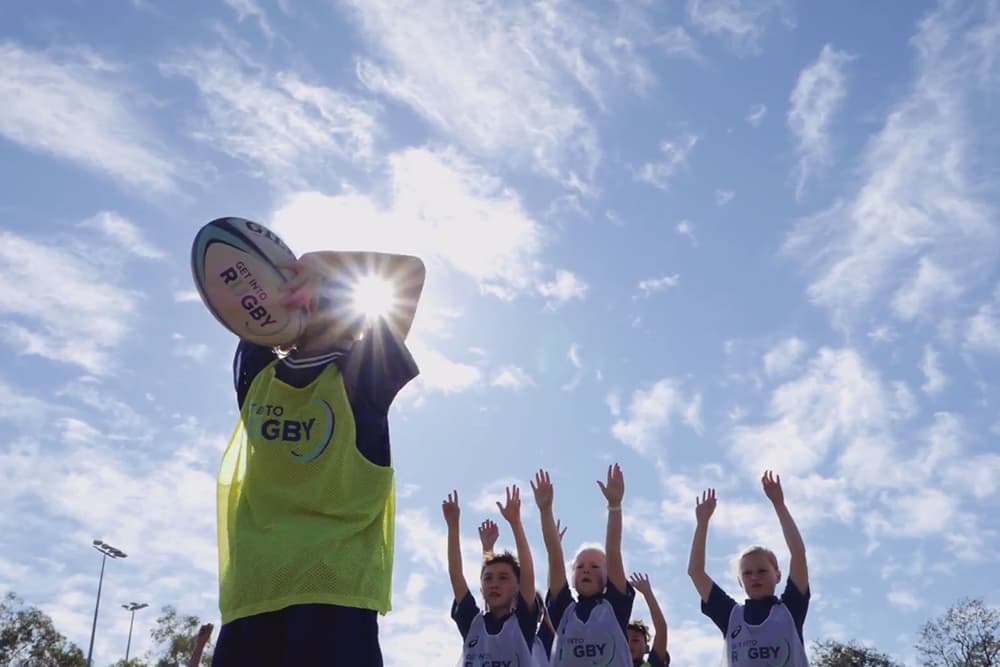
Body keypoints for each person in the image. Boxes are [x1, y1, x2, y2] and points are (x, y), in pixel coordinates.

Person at [212, 250, 425, 667]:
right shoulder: (364, 376)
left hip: (254, 594)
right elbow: (410, 271)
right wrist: (320, 264)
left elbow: (243, 305)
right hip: (332, 593)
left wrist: (298, 268)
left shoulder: (257, 376)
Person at [687, 471, 810, 667]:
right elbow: (695, 572)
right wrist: (702, 524)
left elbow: (798, 554)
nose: (754, 577)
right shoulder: (731, 616)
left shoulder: (791, 609)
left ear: (777, 575)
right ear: (740, 581)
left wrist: (779, 505)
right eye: (747, 573)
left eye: (762, 571)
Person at [533, 465, 634, 666]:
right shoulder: (564, 611)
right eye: (580, 567)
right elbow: (554, 555)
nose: (586, 569)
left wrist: (614, 506)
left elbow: (613, 551)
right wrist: (545, 511)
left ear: (608, 576)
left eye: (595, 566)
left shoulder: (615, 606)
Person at [443, 487, 539, 666]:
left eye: (503, 578)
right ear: (481, 588)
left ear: (517, 587)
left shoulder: (522, 623)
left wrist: (516, 524)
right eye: (488, 579)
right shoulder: (473, 623)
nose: (494, 584)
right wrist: (453, 526)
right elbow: (456, 574)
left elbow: (527, 573)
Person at [626, 573, 669, 667]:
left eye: (635, 640)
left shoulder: (651, 665)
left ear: (646, 648)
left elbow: (661, 629)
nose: (629, 644)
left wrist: (647, 593)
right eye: (625, 640)